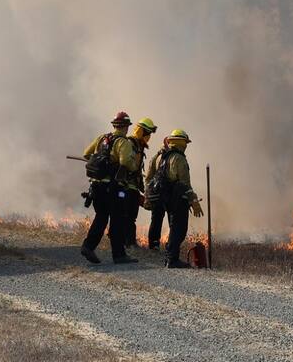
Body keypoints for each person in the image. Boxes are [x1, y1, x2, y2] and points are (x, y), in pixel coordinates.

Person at [79, 112, 142, 264]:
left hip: (96, 186)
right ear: (126, 127)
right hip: (114, 188)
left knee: (101, 217)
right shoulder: (123, 142)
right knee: (117, 220)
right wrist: (134, 167)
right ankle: (119, 255)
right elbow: (126, 162)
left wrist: (101, 163)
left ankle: (88, 246)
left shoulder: (102, 138)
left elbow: (86, 154)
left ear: (114, 125)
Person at [146, 129, 203, 268]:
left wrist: (147, 195)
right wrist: (194, 201)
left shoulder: (159, 157)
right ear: (181, 143)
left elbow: (149, 177)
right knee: (179, 228)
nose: (186, 146)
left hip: (164, 198)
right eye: (185, 143)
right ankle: (172, 259)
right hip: (177, 198)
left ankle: (169, 256)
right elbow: (185, 183)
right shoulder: (179, 159)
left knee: (173, 227)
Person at [122, 117, 157, 248]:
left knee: (132, 215)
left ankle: (129, 242)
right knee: (126, 215)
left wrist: (143, 189)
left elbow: (137, 169)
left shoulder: (139, 147)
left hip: (133, 187)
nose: (149, 137)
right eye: (147, 133)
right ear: (141, 131)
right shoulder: (129, 143)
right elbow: (125, 164)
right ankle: (126, 242)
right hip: (125, 186)